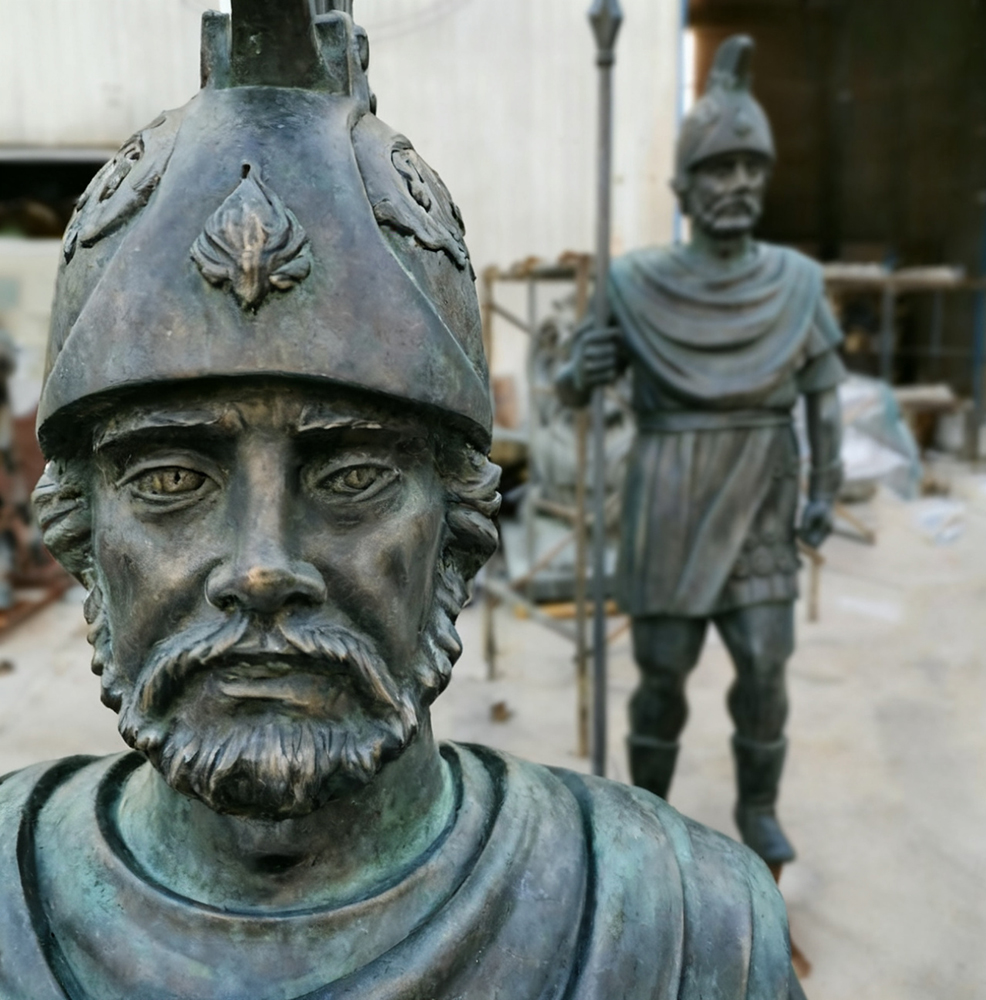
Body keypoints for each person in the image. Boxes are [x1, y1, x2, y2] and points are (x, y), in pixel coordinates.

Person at [0, 6, 805, 997]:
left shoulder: (687, 933)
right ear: (81, 536)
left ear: (461, 535)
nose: (261, 567)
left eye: (353, 477)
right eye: (170, 479)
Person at [558, 34, 845, 869]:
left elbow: (824, 392)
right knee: (661, 670)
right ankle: (649, 814)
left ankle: (758, 810)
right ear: (685, 185)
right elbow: (574, 385)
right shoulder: (633, 283)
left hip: (761, 484)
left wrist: (826, 484)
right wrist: (584, 368)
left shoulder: (796, 282)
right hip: (670, 489)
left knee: (764, 664)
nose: (740, 183)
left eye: (753, 167)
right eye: (720, 168)